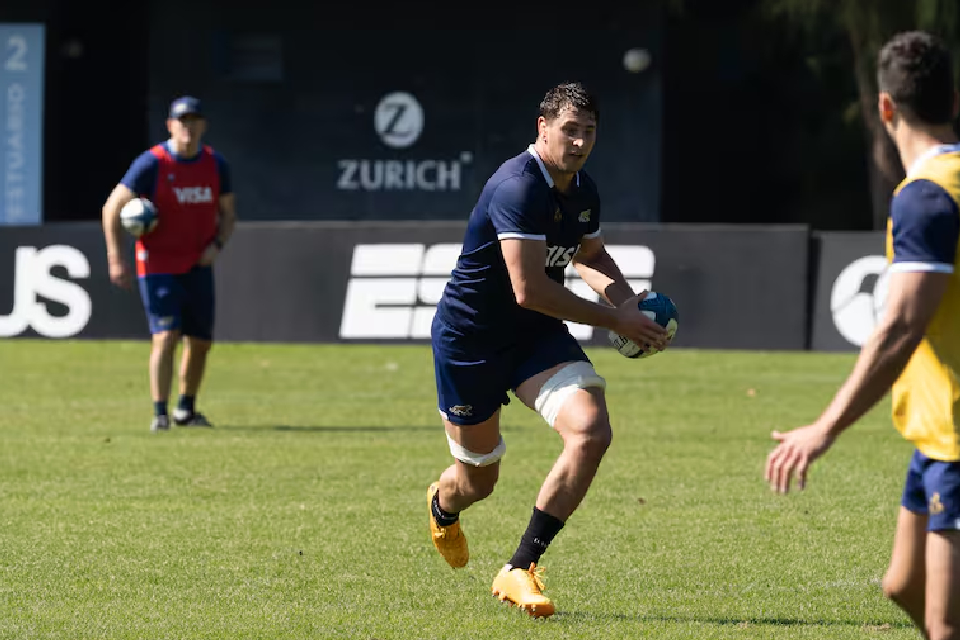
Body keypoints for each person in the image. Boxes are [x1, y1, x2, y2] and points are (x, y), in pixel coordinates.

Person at [426, 81, 669, 618]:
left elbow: (591, 255)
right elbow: (529, 289)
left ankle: (519, 566)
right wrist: (615, 319)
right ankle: (443, 506)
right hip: (471, 341)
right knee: (477, 480)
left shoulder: (582, 189)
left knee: (591, 431)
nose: (580, 142)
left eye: (589, 132)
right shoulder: (517, 187)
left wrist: (630, 306)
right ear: (542, 128)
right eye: (569, 130)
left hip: (534, 335)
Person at [765, 31, 960, 640]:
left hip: (957, 435)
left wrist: (823, 429)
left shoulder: (926, 199)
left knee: (943, 621)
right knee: (903, 586)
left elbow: (901, 327)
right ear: (952, 100)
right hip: (934, 431)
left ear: (884, 108)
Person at [101, 96, 236, 433]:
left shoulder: (216, 164)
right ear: (170, 125)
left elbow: (229, 214)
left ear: (203, 125)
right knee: (166, 335)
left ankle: (185, 409)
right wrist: (116, 256)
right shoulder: (152, 164)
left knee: (201, 342)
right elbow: (111, 208)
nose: (187, 127)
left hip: (198, 264)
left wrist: (217, 245)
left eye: (193, 120)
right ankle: (159, 412)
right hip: (158, 263)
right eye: (181, 120)